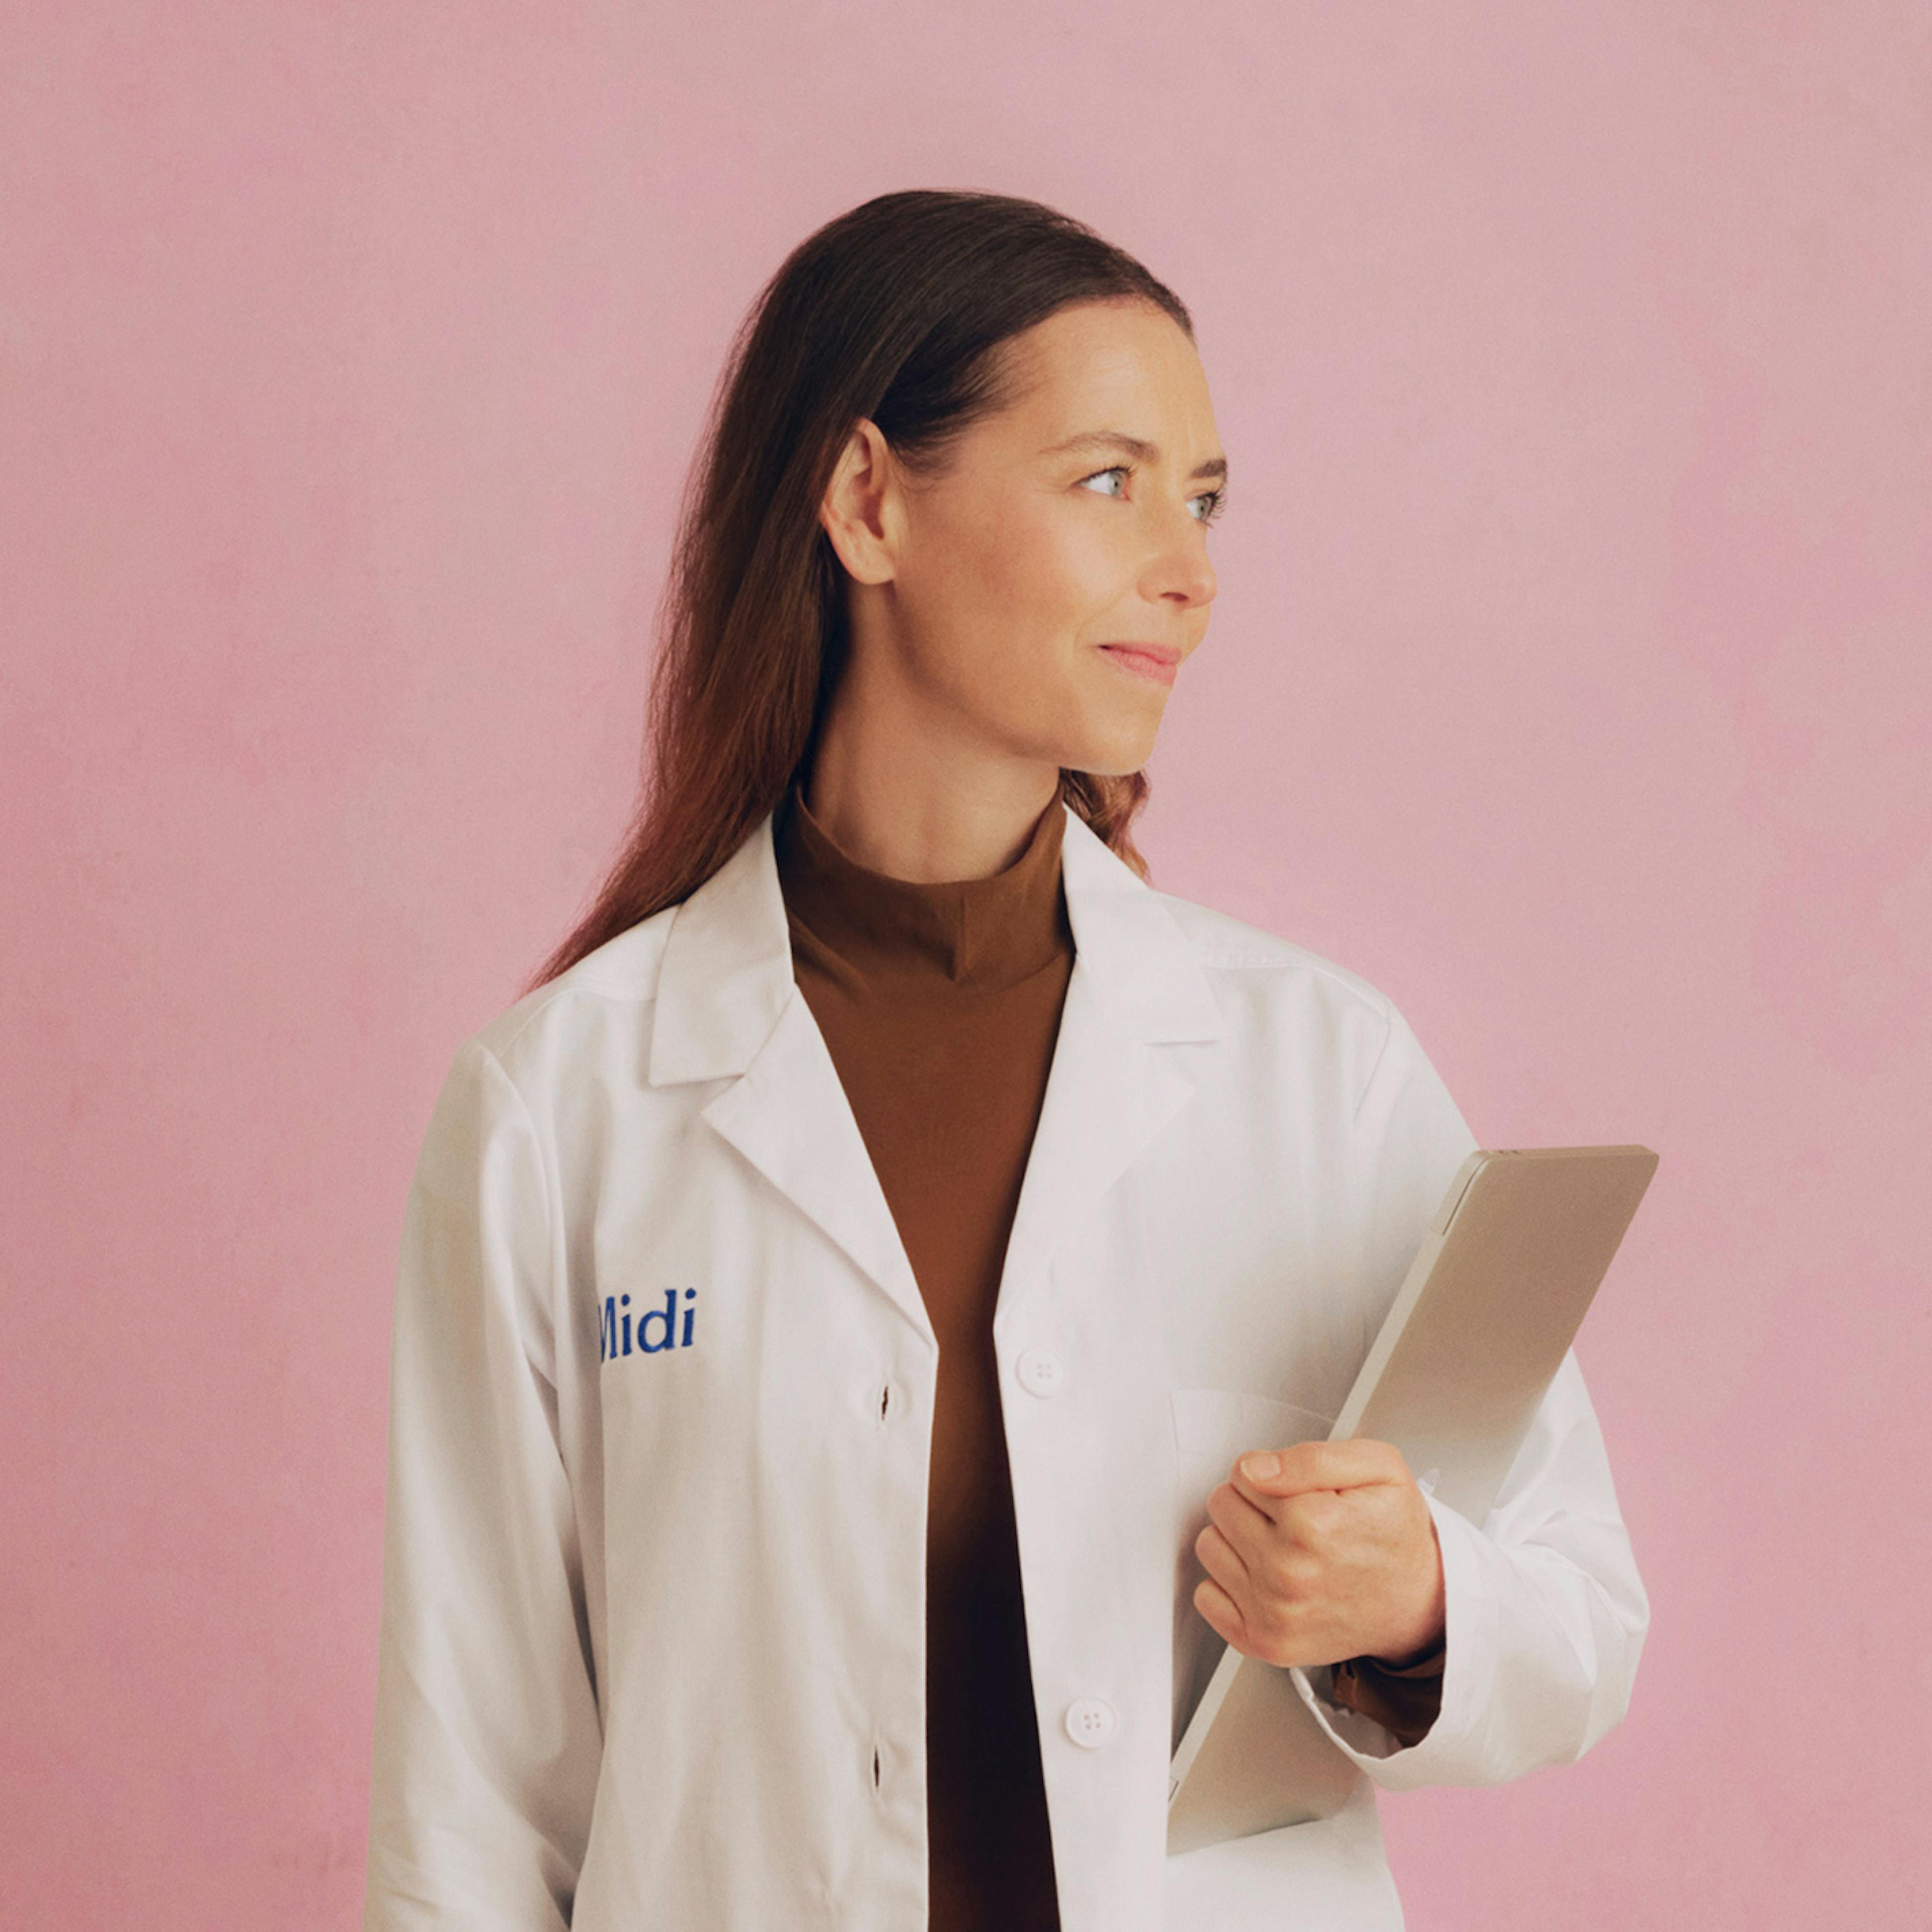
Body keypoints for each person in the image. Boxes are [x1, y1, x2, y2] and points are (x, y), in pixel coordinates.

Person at [361, 189, 1649, 1932]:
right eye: (1108, 482)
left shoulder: (1317, 1071)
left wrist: (1419, 1599)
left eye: (1202, 502)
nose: (1189, 571)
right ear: (870, 499)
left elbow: (1576, 1612)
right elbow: (473, 1797)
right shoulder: (561, 1112)